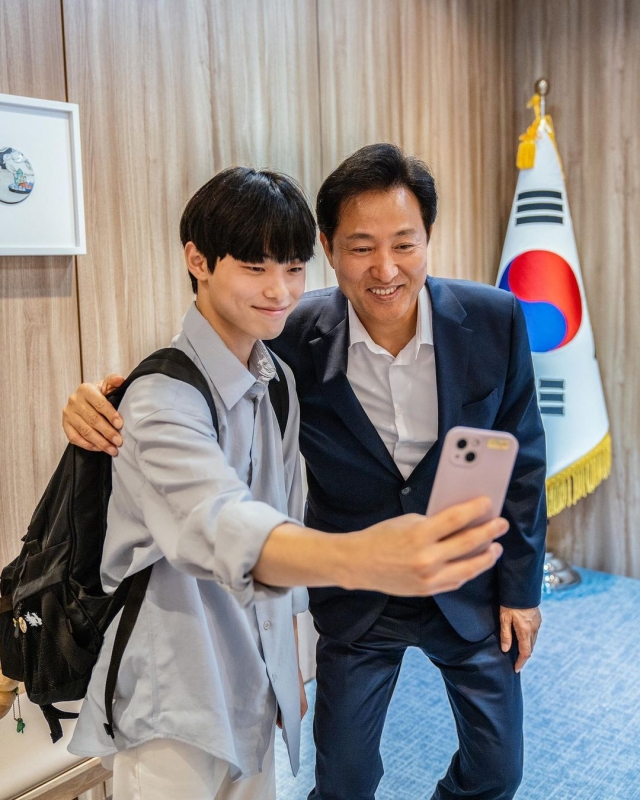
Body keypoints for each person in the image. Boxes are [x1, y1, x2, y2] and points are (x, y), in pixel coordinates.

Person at [63, 163, 508, 800]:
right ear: (198, 259)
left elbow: (283, 516)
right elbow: (217, 522)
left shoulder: (276, 376)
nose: (279, 290)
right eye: (254, 266)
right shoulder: (160, 398)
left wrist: (285, 670)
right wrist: (362, 558)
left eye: (293, 268)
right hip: (175, 695)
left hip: (253, 683)